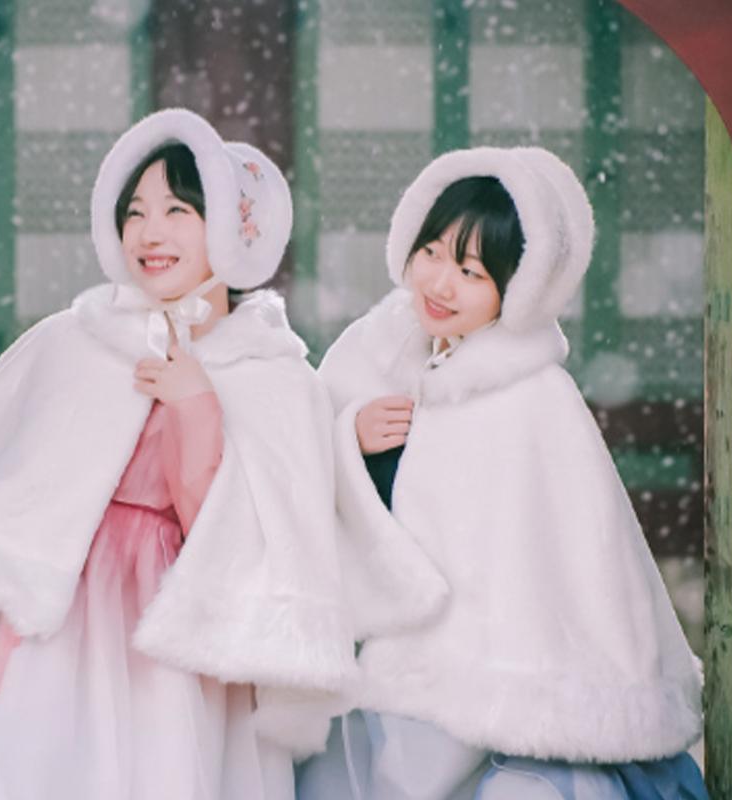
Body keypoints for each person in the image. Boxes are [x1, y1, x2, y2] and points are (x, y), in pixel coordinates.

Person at [0, 108, 365, 799]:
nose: (150, 231)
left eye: (178, 209)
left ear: (234, 232)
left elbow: (238, 536)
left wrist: (195, 405)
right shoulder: (74, 338)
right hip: (43, 610)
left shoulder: (273, 374)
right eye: (135, 211)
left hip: (165, 625)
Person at [296, 147, 708, 799]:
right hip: (376, 658)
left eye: (471, 270)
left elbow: (583, 548)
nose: (439, 283)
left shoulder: (533, 396)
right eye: (431, 251)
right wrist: (348, 439)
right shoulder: (370, 353)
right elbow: (294, 474)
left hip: (486, 661)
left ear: (518, 287)